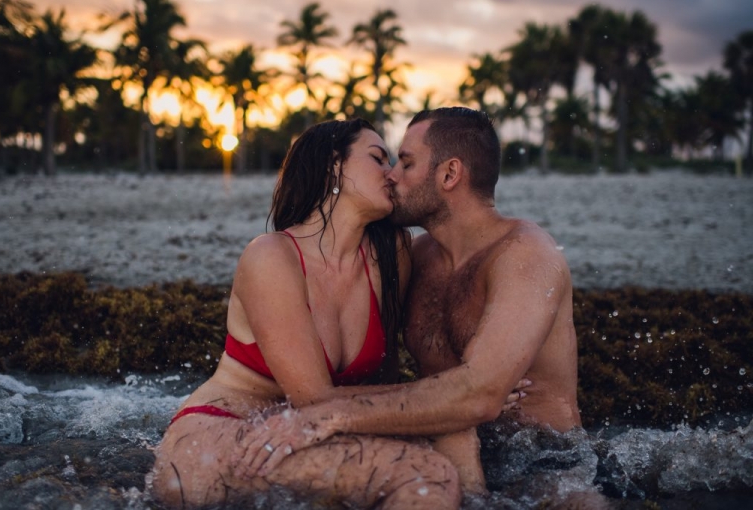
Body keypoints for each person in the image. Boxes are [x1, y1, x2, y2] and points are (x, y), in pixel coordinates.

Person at [233, 107, 583, 496]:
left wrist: (329, 414)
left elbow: (483, 394)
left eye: (406, 162)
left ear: (449, 174)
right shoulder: (413, 258)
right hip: (447, 439)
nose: (392, 175)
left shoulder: (525, 255)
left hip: (543, 462)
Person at [150, 118, 470, 509]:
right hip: (225, 435)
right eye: (377, 158)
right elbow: (314, 399)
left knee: (458, 434)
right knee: (425, 474)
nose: (391, 173)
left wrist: (462, 399)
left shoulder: (392, 256)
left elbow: (379, 383)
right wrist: (455, 392)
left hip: (308, 432)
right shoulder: (272, 257)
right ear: (334, 164)